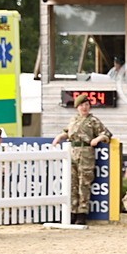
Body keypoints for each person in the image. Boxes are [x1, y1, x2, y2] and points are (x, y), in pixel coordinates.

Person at [53, 93, 113, 224]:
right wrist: (59, 137)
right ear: (77, 107)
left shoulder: (93, 121)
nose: (84, 108)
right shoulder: (74, 119)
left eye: (86, 105)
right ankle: (72, 211)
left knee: (84, 183)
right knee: (72, 183)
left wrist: (98, 139)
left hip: (86, 153)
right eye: (81, 105)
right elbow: (68, 132)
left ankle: (82, 212)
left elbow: (106, 134)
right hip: (73, 152)